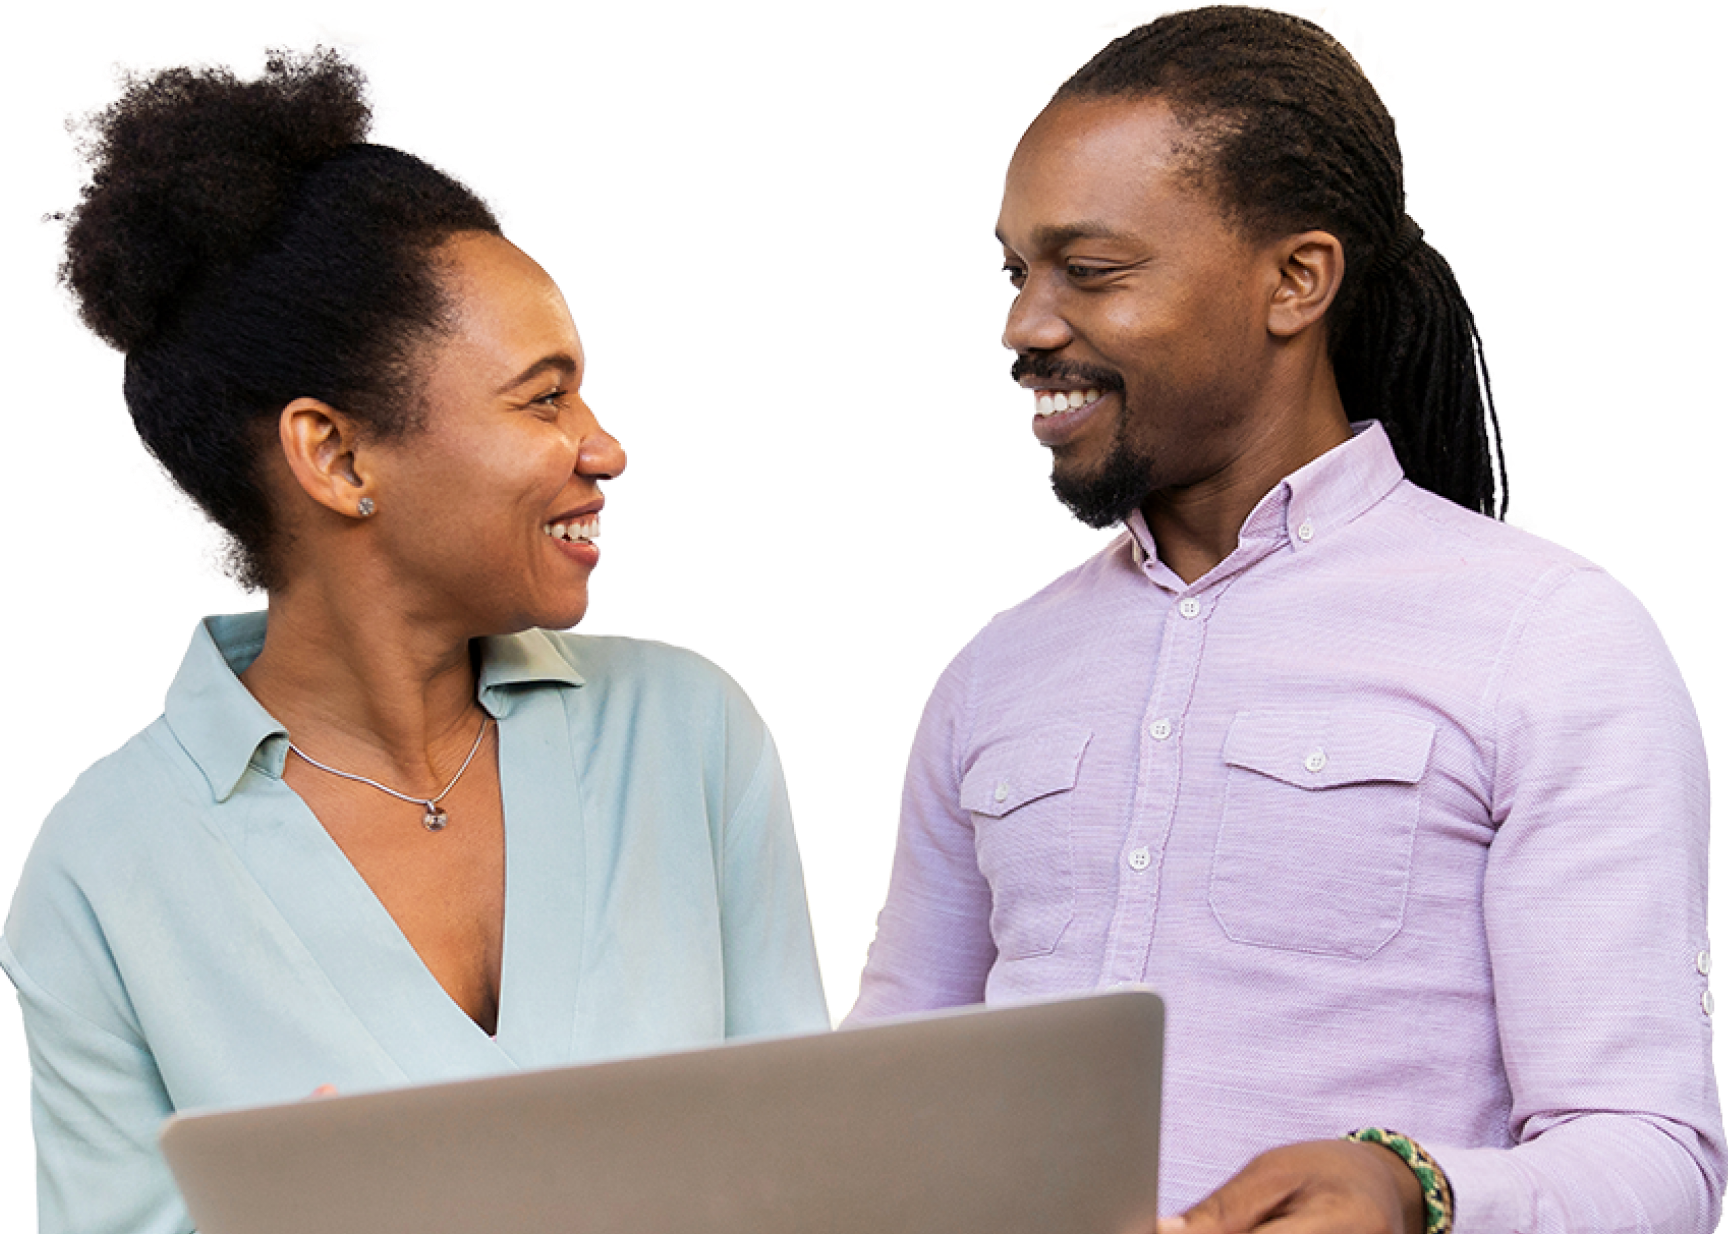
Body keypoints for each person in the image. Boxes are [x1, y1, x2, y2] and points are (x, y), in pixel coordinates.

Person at [844, 5, 1723, 1233]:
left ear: (1297, 281)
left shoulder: (1554, 640)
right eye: (1016, 274)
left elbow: (1652, 1162)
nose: (1025, 326)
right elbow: (876, 1107)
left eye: (1090, 271)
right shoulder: (994, 675)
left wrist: (1416, 1188)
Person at [2, 25, 830, 1233]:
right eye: (544, 397)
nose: (604, 448)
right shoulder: (101, 873)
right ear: (335, 454)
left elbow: (821, 1167)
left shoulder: (686, 734)